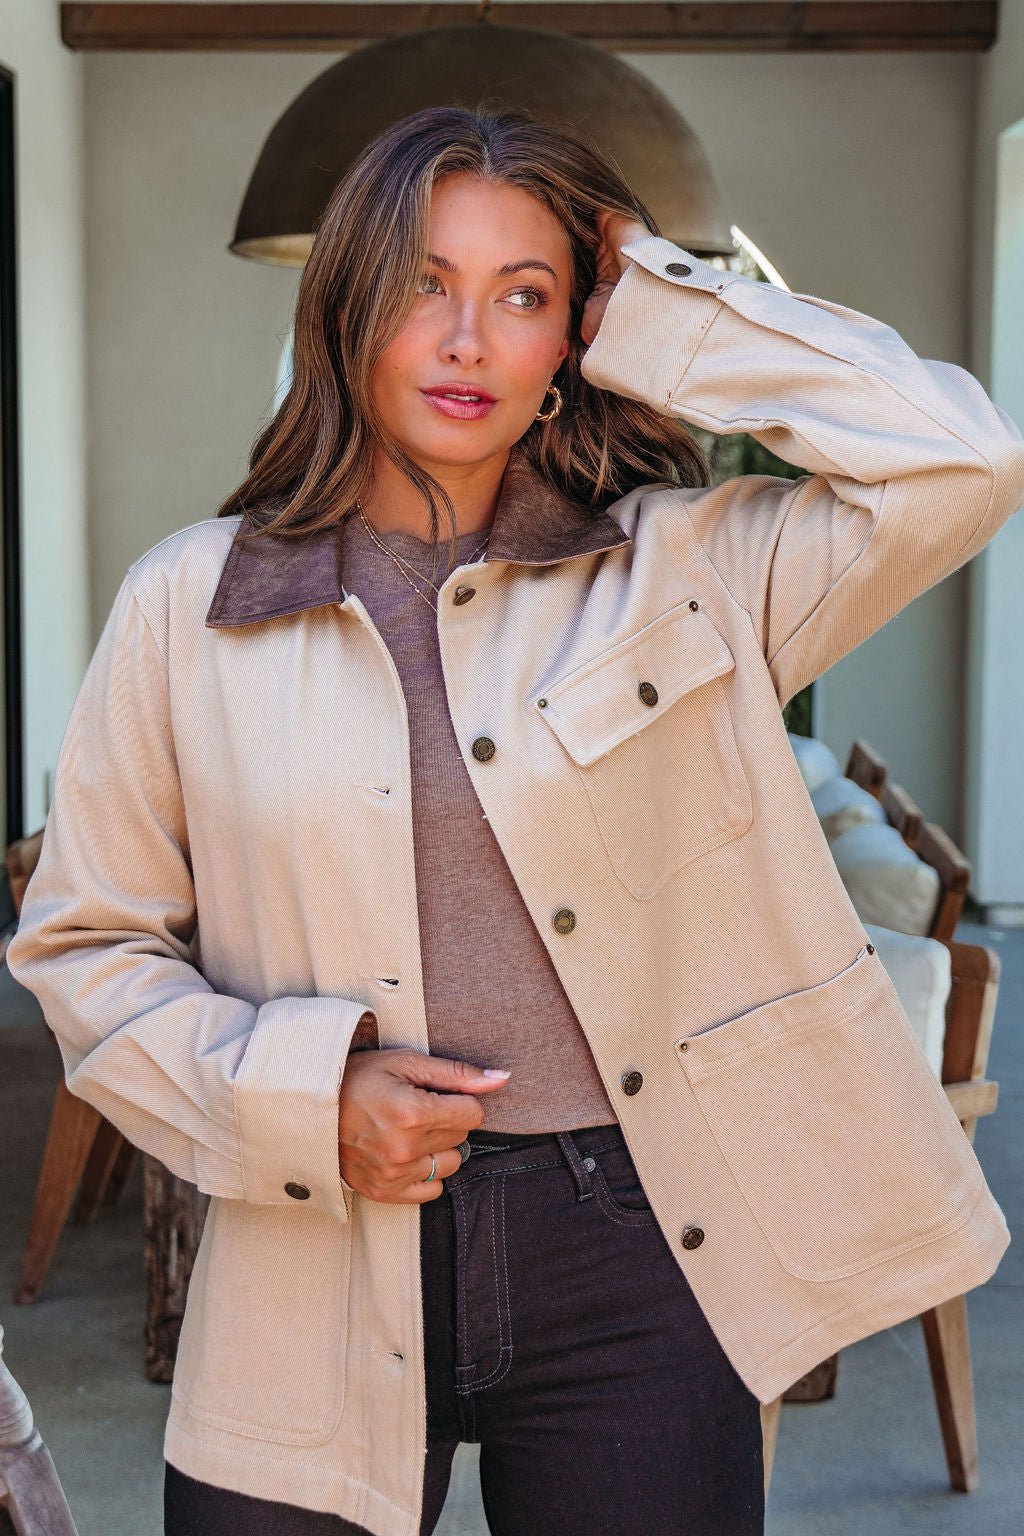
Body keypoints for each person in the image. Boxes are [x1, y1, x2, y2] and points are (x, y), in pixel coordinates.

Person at [6, 103, 1022, 1536]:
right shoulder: (189, 603)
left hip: (637, 1248)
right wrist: (304, 1094)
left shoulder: (690, 571)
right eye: (425, 283)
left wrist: (669, 302)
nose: (469, 339)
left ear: (572, 344)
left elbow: (961, 461)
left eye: (525, 296)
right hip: (308, 1245)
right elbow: (83, 947)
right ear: (349, 305)